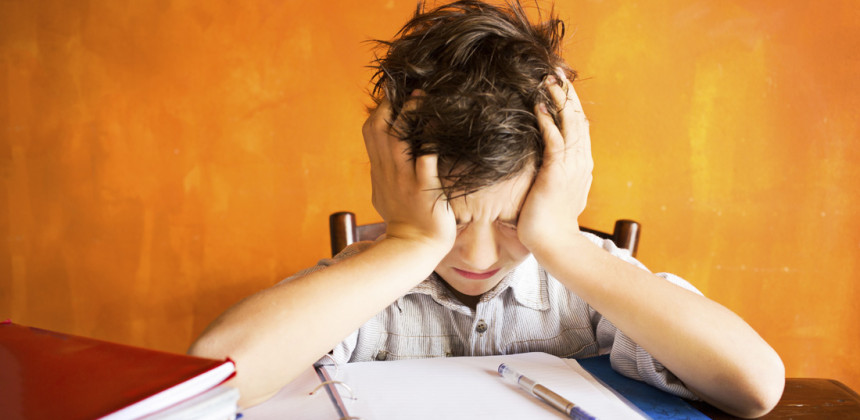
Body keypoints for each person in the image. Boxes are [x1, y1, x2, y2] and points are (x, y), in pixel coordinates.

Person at [189, 1, 785, 417]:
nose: (476, 254)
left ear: (561, 194)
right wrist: (409, 245)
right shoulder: (369, 283)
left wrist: (564, 243)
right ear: (395, 188)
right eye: (447, 219)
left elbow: (754, 388)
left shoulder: (585, 282)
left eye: (511, 219)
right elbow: (208, 380)